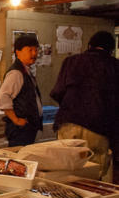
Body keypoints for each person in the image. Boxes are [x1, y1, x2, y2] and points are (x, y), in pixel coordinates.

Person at [50, 31, 119, 181]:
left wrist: (72, 105)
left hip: (68, 122)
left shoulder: (70, 61)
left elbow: (57, 92)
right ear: (111, 50)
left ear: (89, 46)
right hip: (98, 127)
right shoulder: (114, 66)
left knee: (65, 169)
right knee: (92, 174)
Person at [0, 35, 43, 147]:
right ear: (18, 52)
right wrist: (16, 119)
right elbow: (3, 97)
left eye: (36, 50)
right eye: (30, 50)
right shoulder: (16, 73)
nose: (34, 54)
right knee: (19, 159)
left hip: (28, 127)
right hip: (20, 129)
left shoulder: (25, 70)